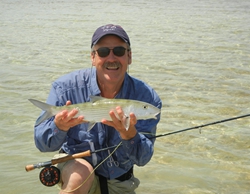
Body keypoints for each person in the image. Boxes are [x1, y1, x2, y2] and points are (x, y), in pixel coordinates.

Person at [34, 24, 162, 194]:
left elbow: (143, 159)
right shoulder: (65, 88)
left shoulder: (147, 97)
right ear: (93, 57)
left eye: (119, 51)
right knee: (80, 176)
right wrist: (60, 126)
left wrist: (129, 134)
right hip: (75, 166)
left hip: (120, 180)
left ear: (129, 56)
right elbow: (42, 144)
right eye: (103, 52)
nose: (111, 58)